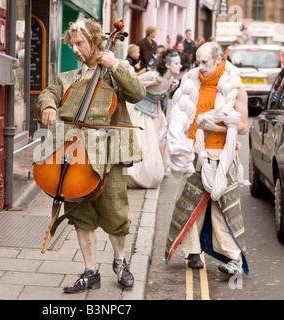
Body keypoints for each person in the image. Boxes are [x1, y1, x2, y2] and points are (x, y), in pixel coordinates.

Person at [35, 18, 146, 293]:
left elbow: (138, 93)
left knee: (114, 211)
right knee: (81, 213)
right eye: (72, 44)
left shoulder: (115, 73)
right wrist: (49, 105)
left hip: (109, 153)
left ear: (96, 42)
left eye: (80, 43)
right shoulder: (70, 77)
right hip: (75, 154)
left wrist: (116, 65)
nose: (75, 49)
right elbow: (49, 92)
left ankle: (120, 262)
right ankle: (90, 270)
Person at [165, 42, 249, 277]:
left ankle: (233, 259)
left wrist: (216, 128)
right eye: (198, 62)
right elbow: (181, 113)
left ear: (219, 60)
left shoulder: (235, 87)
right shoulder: (193, 83)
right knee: (190, 205)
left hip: (222, 155)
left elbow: (241, 126)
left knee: (224, 209)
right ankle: (192, 253)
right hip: (195, 153)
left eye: (205, 62)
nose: (200, 67)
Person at [127, 49, 181, 189]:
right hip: (139, 112)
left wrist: (170, 89)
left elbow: (161, 94)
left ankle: (152, 172)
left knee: (158, 142)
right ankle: (136, 175)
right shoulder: (153, 74)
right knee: (143, 144)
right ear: (168, 65)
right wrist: (150, 82)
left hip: (154, 113)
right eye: (177, 63)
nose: (180, 65)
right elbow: (130, 82)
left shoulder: (170, 79)